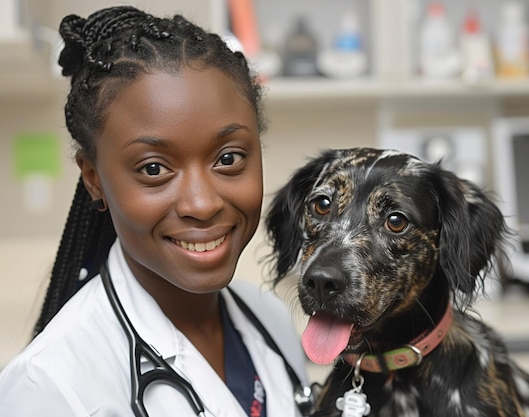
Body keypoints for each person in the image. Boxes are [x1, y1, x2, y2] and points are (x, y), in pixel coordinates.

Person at [0, 6, 310, 417]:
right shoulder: (51, 385)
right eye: (153, 169)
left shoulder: (272, 319)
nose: (202, 204)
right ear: (94, 179)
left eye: (229, 158)